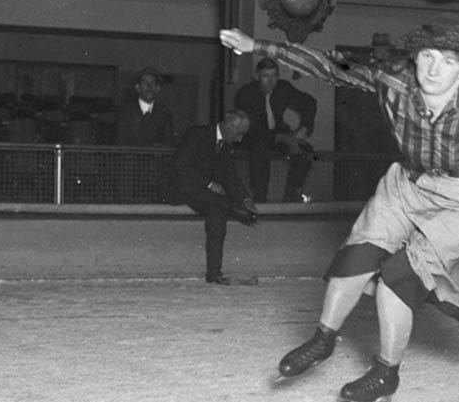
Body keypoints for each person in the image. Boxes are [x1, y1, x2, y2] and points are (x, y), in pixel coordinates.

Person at [219, 18, 459, 402]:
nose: (433, 69)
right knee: (358, 253)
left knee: (398, 277)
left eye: (448, 61)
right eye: (427, 56)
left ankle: (386, 373)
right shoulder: (394, 79)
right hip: (409, 183)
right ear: (415, 58)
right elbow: (332, 65)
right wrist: (258, 46)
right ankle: (323, 338)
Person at [162, 109, 259, 286]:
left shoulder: (226, 146)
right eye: (239, 133)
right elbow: (181, 165)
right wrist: (209, 183)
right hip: (178, 189)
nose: (240, 139)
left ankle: (214, 273)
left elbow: (231, 177)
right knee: (195, 187)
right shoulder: (197, 134)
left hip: (202, 195)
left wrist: (245, 199)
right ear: (229, 126)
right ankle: (235, 211)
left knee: (217, 212)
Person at [234, 57, 317, 203]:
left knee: (305, 150)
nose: (270, 81)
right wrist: (283, 138)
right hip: (253, 136)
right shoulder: (246, 93)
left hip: (278, 132)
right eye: (266, 76)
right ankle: (259, 199)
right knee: (259, 151)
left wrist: (304, 127)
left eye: (274, 76)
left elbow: (309, 102)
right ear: (257, 76)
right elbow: (251, 127)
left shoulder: (283, 88)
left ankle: (292, 195)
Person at [115, 67, 177, 147]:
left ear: (157, 88)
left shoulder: (164, 113)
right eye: (145, 82)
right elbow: (120, 143)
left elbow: (169, 143)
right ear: (138, 88)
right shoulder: (126, 112)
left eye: (153, 83)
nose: (149, 86)